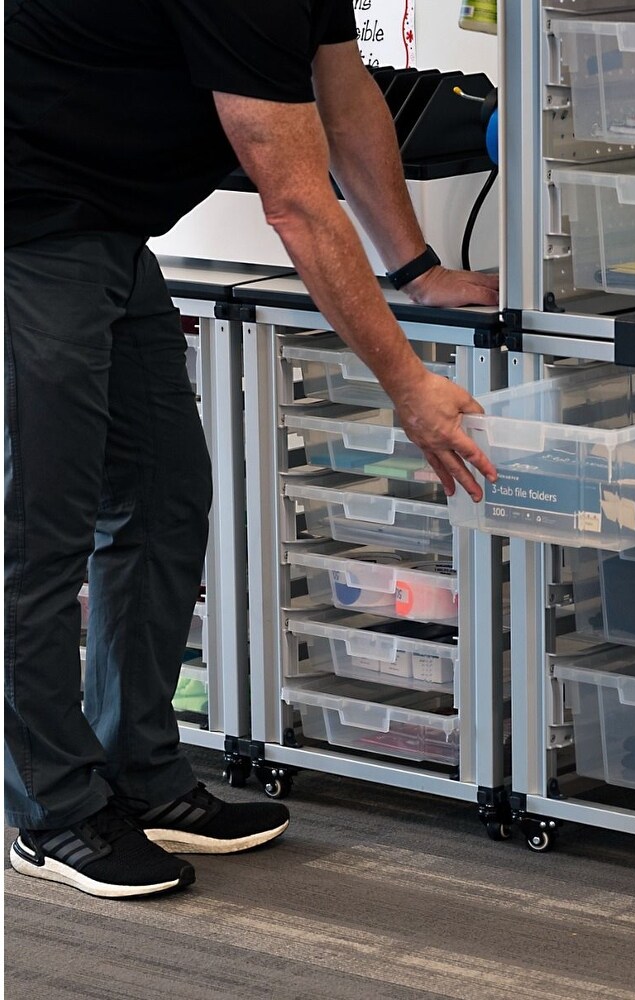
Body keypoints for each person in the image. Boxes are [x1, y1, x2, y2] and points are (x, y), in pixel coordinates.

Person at [5, 0, 499, 900]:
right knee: (41, 533)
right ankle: (53, 810)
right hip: (25, 232)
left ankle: (139, 773)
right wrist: (406, 386)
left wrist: (416, 267)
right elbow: (298, 202)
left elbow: (345, 100)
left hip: (104, 228)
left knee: (163, 499)